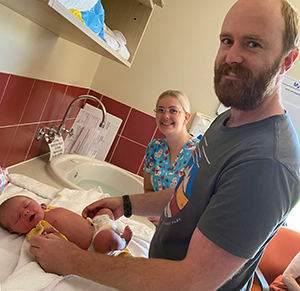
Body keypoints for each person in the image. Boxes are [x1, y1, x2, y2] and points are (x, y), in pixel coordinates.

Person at [28, 0, 300, 290]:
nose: (231, 56)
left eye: (253, 44)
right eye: (227, 40)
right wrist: (126, 203)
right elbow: (190, 194)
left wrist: (72, 260)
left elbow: (191, 281)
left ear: (287, 60)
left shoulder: (267, 164)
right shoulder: (228, 122)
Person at [0, 195, 133, 256]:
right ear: (15, 232)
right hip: (94, 244)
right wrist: (47, 234)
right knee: (106, 238)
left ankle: (112, 225)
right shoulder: (36, 231)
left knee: (105, 210)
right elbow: (46, 244)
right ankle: (121, 243)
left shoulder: (47, 209)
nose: (25, 212)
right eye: (18, 218)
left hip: (96, 224)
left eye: (27, 205)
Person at [144, 90, 199, 224]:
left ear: (186, 117)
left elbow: (198, 203)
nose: (165, 116)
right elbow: (149, 189)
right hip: (154, 226)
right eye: (160, 110)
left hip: (181, 229)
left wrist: (167, 218)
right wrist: (153, 211)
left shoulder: (198, 152)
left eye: (173, 111)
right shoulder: (154, 148)